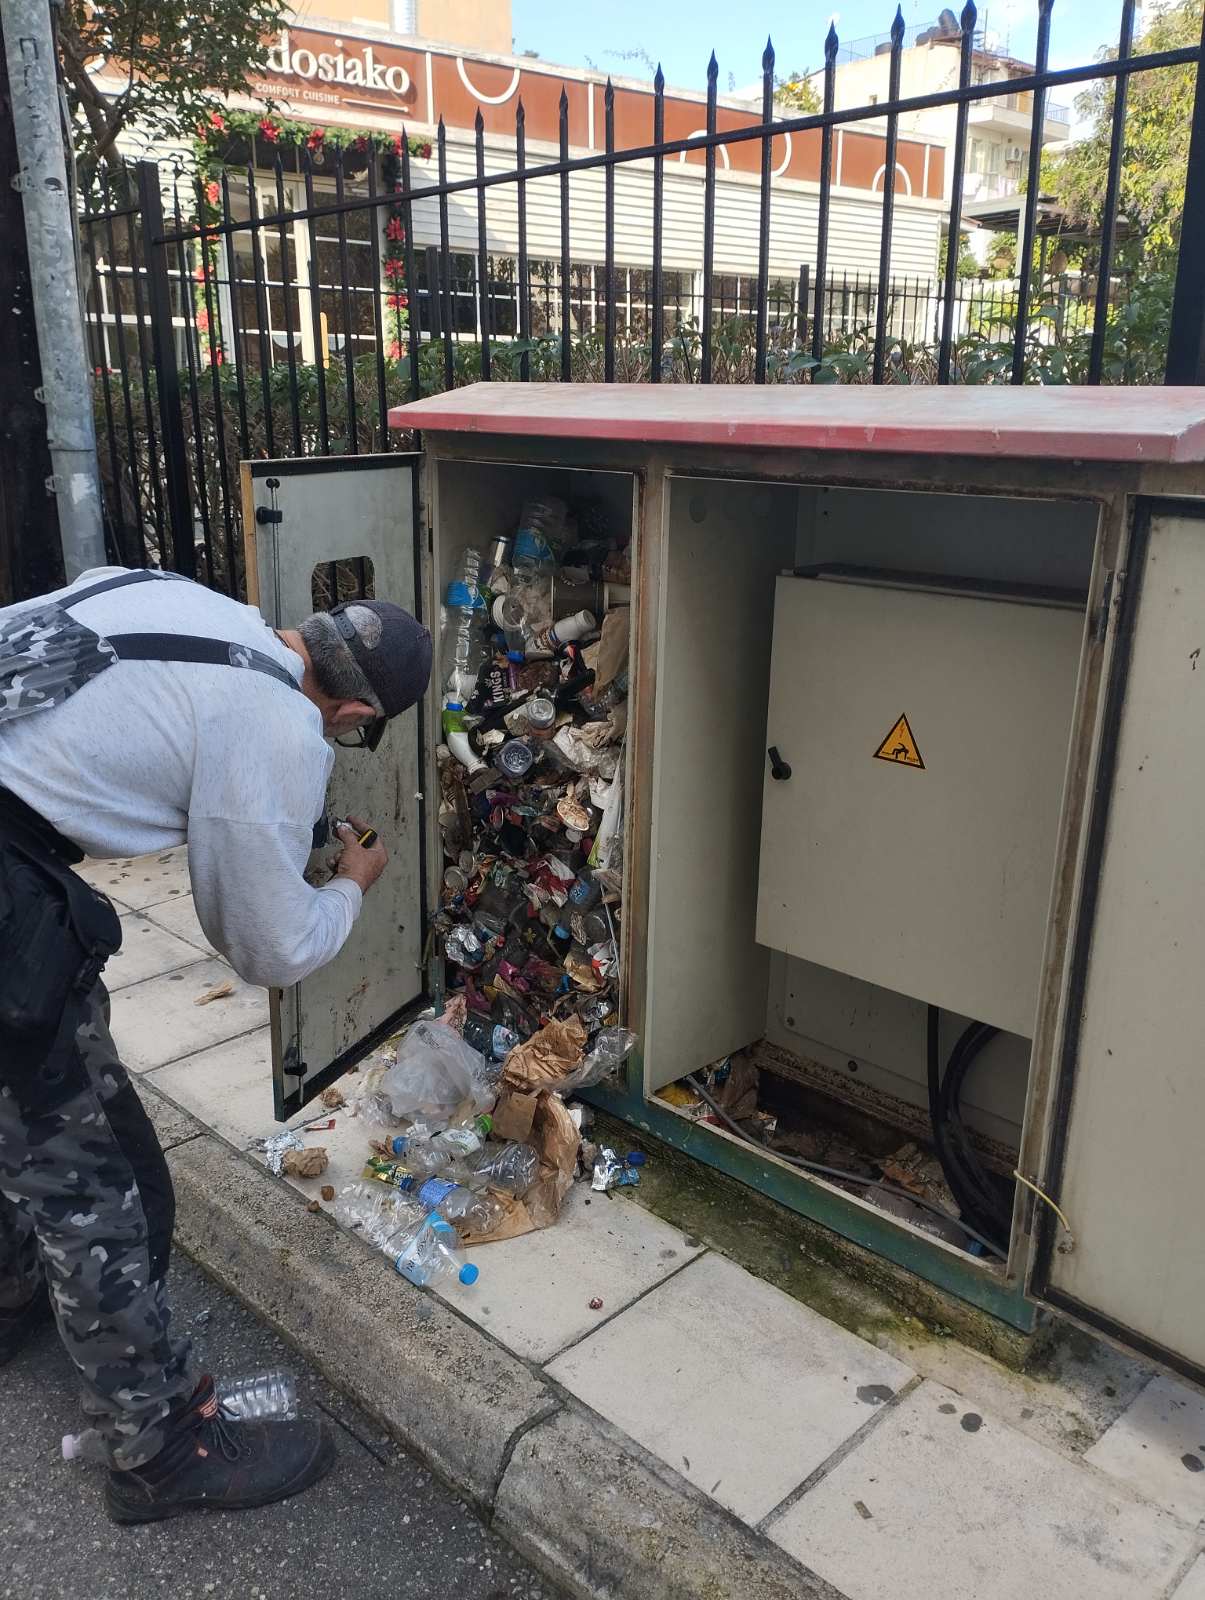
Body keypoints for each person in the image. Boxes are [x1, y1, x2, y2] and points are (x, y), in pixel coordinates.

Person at [0, 564, 431, 1523]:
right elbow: (269, 947)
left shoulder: (181, 597)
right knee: (105, 1186)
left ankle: (10, 1292)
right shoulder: (277, 725)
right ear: (357, 711)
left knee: (13, 1121)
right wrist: (350, 883)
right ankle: (159, 1450)